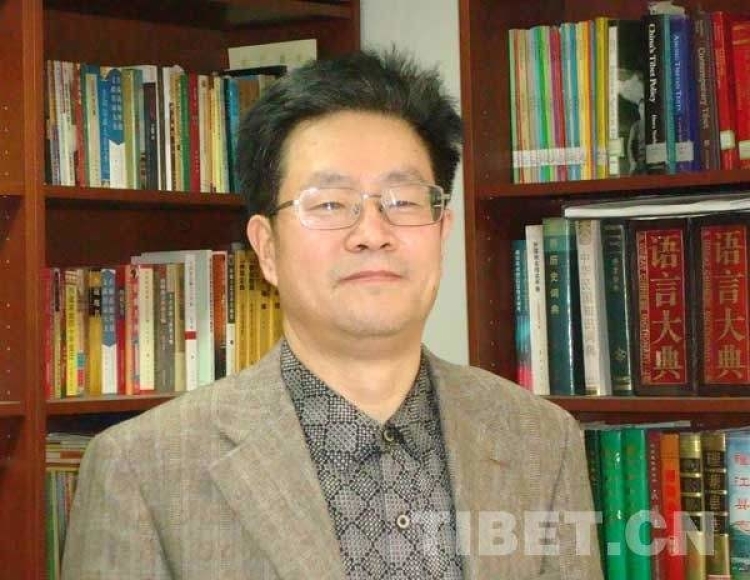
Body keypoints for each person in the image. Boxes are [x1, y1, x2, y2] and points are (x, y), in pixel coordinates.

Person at [62, 49, 603, 580]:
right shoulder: (143, 471)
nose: (372, 234)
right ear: (266, 248)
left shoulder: (541, 439)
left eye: (404, 200)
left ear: (442, 231)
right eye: (329, 204)